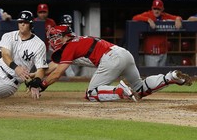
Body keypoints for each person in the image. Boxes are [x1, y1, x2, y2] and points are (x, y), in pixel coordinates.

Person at [28, 25, 192, 102]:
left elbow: (57, 74)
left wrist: (42, 85)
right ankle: (170, 77)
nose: (55, 40)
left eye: (58, 36)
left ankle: (120, 90)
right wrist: (32, 75)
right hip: (124, 54)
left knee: (91, 93)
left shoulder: (70, 45)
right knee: (140, 88)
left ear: (66, 36)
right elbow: (52, 67)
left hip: (110, 58)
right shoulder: (77, 41)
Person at [133, 0, 183, 67]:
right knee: (151, 74)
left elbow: (177, 17)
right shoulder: (148, 14)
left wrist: (178, 19)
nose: (156, 11)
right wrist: (148, 20)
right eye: (155, 9)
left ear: (162, 9)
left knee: (161, 74)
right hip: (151, 52)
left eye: (158, 9)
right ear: (152, 8)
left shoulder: (164, 16)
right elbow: (135, 18)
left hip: (163, 51)